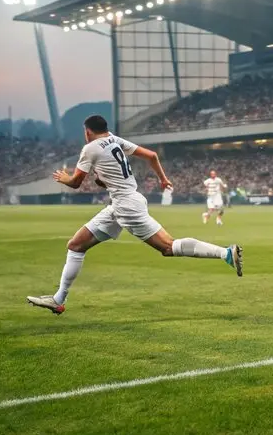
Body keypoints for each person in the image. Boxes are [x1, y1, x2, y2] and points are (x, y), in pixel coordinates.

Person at [27, 115, 242, 315]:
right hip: (122, 202)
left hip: (126, 206)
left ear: (88, 132)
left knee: (168, 247)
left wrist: (65, 178)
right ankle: (58, 299)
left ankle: (226, 254)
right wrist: (163, 179)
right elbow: (152, 155)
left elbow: (75, 183)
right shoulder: (114, 140)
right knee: (76, 245)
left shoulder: (90, 148)